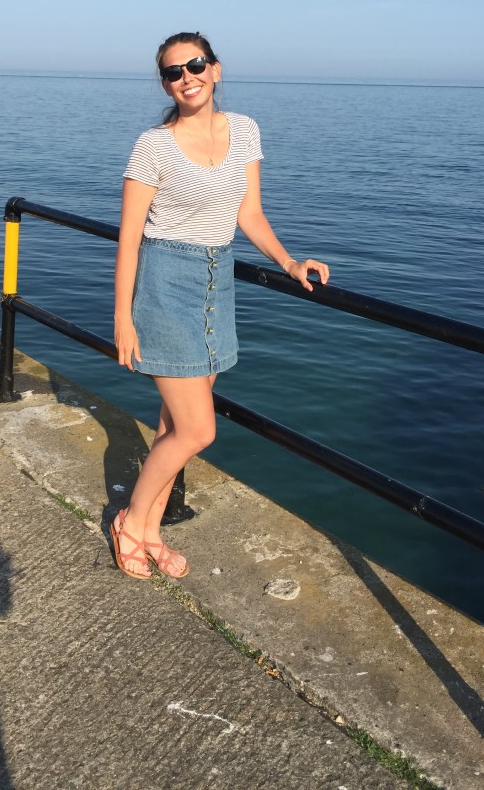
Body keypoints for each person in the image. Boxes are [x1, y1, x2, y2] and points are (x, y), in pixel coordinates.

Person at [112, 32, 329, 579]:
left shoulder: (246, 131)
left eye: (195, 65)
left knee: (173, 425)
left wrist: (287, 261)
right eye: (173, 72)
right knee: (197, 430)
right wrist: (122, 317)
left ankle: (151, 530)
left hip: (216, 285)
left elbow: (248, 213)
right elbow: (130, 238)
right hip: (164, 283)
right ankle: (131, 523)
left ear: (216, 69)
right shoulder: (152, 146)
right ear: (165, 82)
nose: (186, 77)